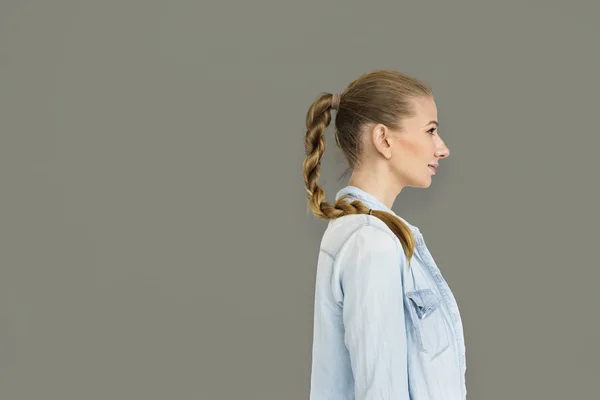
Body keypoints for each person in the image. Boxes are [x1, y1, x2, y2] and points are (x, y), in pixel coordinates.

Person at [303, 70, 466, 399]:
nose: (443, 148)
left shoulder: (371, 234)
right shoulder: (370, 243)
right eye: (430, 131)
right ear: (384, 139)